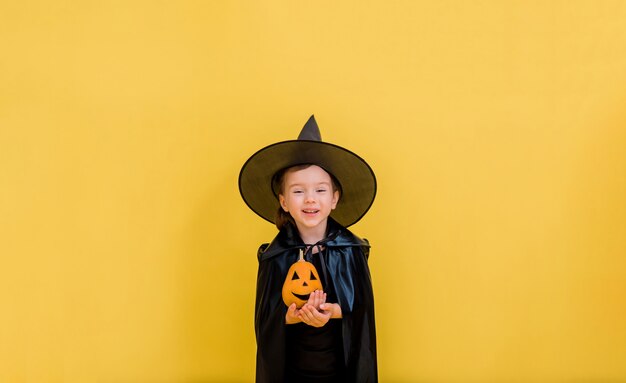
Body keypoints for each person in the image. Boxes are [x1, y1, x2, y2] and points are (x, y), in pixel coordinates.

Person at [238, 115, 378, 382]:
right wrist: (290, 318)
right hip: (293, 373)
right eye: (299, 191)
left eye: (321, 190)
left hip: (339, 372)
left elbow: (362, 316)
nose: (311, 198)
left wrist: (335, 312)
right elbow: (265, 323)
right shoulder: (274, 257)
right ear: (284, 201)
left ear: (335, 198)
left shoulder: (351, 251)